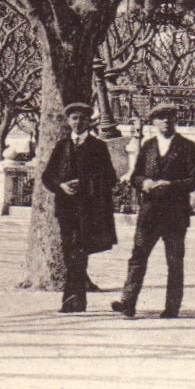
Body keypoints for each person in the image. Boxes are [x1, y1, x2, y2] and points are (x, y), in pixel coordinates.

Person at [112, 103, 195, 319]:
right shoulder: (148, 146)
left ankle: (172, 307)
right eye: (161, 118)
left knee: (174, 261)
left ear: (175, 120)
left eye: (170, 117)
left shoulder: (187, 146)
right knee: (138, 256)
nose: (166, 122)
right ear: (153, 122)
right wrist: (144, 183)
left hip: (175, 213)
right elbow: (135, 175)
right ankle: (128, 302)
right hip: (149, 212)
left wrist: (171, 185)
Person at [40, 102, 119, 312]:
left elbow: (110, 177)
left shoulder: (98, 147)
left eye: (82, 118)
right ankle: (77, 298)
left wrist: (85, 183)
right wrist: (61, 185)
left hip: (88, 209)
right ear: (68, 121)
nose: (78, 122)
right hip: (66, 209)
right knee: (70, 251)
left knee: (79, 252)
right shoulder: (62, 146)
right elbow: (47, 176)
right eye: (74, 118)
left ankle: (72, 299)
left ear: (89, 122)